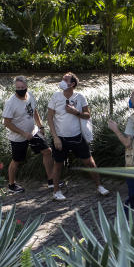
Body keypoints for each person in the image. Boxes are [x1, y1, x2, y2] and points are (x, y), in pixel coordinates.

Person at [46, 71, 110, 201]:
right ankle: (56, 191)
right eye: (62, 79)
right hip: (60, 138)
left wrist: (76, 112)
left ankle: (99, 186)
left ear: (72, 84)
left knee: (89, 162)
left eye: (66, 80)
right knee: (58, 165)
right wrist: (55, 137)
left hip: (77, 137)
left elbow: (87, 115)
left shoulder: (80, 97)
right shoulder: (56, 97)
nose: (62, 81)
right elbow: (49, 117)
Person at [2, 75, 55, 194]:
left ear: (26, 86)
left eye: (22, 87)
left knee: (47, 151)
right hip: (18, 137)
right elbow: (7, 123)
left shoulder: (30, 95)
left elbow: (34, 111)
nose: (20, 89)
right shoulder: (11, 103)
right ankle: (11, 185)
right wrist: (23, 133)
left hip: (33, 132)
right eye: (18, 87)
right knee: (16, 160)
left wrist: (40, 126)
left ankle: (51, 180)